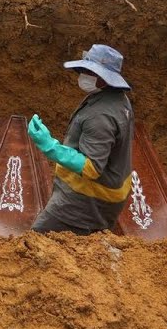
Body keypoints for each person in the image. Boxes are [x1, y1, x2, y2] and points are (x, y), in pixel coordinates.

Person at [28, 44, 134, 235]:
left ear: (105, 78)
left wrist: (49, 146)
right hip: (104, 197)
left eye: (90, 71)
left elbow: (91, 167)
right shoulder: (117, 99)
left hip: (84, 201)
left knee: (35, 242)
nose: (84, 75)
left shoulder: (100, 116)